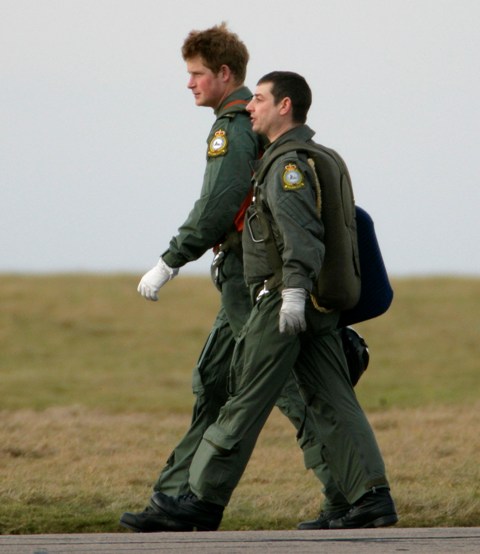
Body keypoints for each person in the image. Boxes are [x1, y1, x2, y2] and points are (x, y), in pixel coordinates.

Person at [136, 71, 399, 532]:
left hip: (284, 302)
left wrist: (292, 294)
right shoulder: (320, 156)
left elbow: (302, 236)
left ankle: (202, 499)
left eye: (259, 99)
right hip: (318, 305)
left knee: (246, 395)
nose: (250, 107)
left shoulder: (286, 166)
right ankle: (370, 498)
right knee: (334, 401)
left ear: (285, 106)